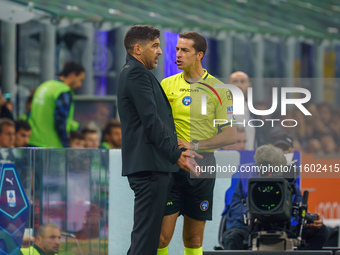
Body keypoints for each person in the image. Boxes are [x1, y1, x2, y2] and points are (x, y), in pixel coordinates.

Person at [117, 25, 198, 255]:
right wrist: (175, 155)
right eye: (155, 46)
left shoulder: (137, 73)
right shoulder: (136, 74)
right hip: (150, 168)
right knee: (145, 241)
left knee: (146, 240)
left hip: (151, 167)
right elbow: (151, 122)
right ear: (137, 49)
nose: (160, 51)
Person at [158, 32, 237, 255]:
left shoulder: (220, 90)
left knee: (193, 239)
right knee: (161, 237)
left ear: (199, 54)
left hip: (203, 166)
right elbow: (156, 126)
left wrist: (195, 145)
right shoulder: (166, 85)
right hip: (171, 164)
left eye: (185, 50)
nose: (178, 54)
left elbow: (231, 135)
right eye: (177, 50)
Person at [223, 144, 330, 250]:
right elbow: (235, 205)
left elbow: (298, 205)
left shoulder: (289, 180)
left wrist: (309, 221)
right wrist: (251, 213)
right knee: (232, 239)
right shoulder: (244, 176)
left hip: (282, 226)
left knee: (322, 232)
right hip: (249, 227)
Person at [28, 61, 85, 147]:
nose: (80, 84)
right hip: (51, 146)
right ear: (72, 74)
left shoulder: (44, 86)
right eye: (80, 80)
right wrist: (66, 146)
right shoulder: (63, 91)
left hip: (32, 141)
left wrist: (75, 126)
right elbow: (60, 121)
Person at [229, 71, 255, 150]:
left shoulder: (257, 113)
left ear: (249, 86)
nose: (239, 85)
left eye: (242, 82)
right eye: (235, 82)